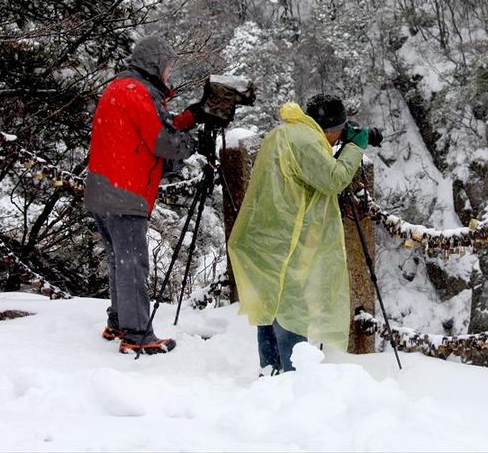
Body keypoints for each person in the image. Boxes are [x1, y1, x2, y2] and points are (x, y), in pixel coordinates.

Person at [85, 35, 210, 355]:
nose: (170, 73)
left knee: (119, 261)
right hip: (124, 192)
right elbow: (162, 141)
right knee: (132, 264)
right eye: (168, 66)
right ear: (155, 64)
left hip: (103, 187)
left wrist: (191, 117)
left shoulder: (121, 87)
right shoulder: (137, 92)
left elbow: (153, 127)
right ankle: (138, 334)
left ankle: (118, 322)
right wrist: (192, 145)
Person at [227, 94, 369, 374]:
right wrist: (354, 147)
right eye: (339, 133)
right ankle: (292, 380)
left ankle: (270, 371)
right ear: (332, 129)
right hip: (289, 237)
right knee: (292, 308)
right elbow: (334, 179)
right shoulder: (308, 142)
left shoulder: (283, 133)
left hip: (266, 234)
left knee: (271, 305)